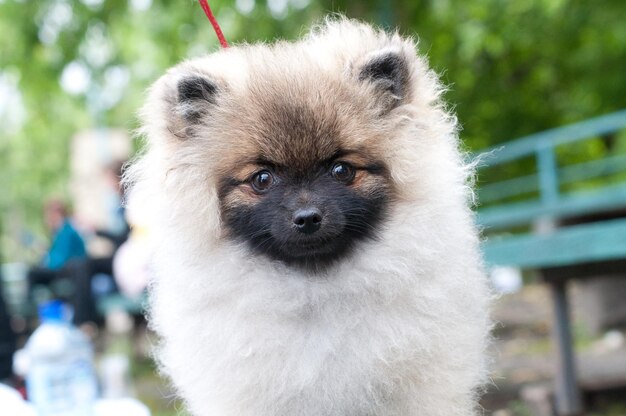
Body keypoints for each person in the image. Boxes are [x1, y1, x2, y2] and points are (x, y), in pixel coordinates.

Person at [27, 199, 94, 325]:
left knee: (32, 273)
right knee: (33, 272)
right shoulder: (60, 232)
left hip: (70, 272)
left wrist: (45, 257)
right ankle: (35, 312)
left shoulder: (67, 231)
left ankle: (29, 315)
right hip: (67, 271)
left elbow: (59, 261)